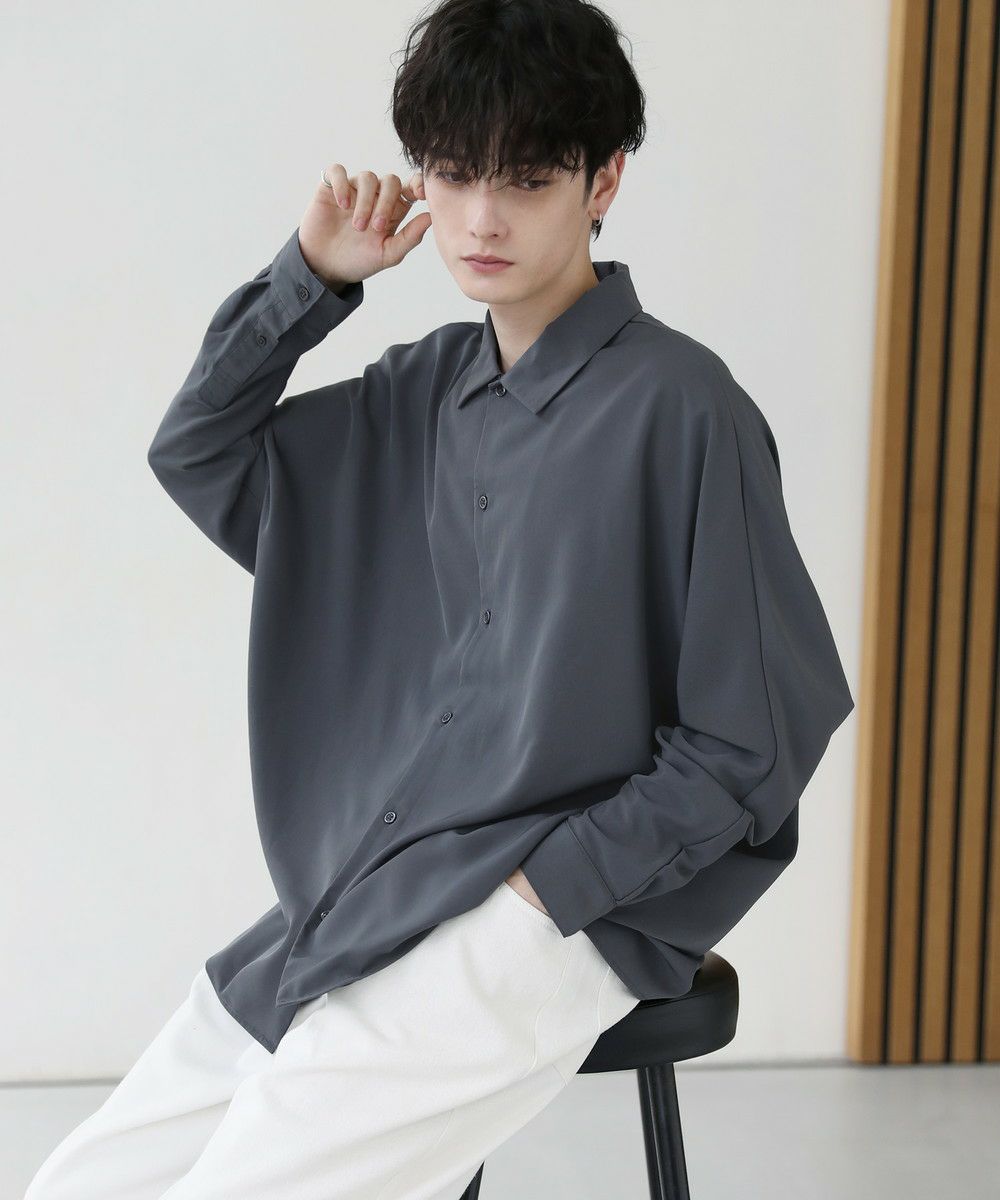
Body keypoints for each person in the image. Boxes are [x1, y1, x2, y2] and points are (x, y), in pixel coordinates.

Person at [24, 1, 855, 1196]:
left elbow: (750, 740)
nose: (479, 219)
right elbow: (199, 451)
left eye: (526, 180)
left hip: (550, 908)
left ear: (603, 180)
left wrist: (545, 889)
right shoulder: (423, 392)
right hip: (374, 888)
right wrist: (310, 279)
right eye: (455, 174)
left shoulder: (683, 409)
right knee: (86, 1182)